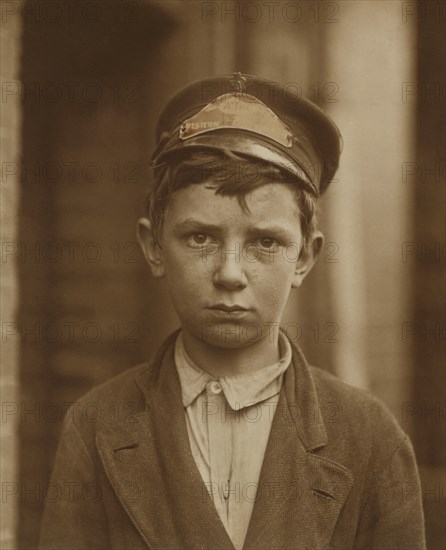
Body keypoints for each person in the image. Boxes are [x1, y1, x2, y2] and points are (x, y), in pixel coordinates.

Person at [39, 73, 426, 549]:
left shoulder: (369, 438)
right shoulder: (97, 425)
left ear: (304, 257)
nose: (229, 273)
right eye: (200, 238)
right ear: (154, 246)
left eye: (265, 242)